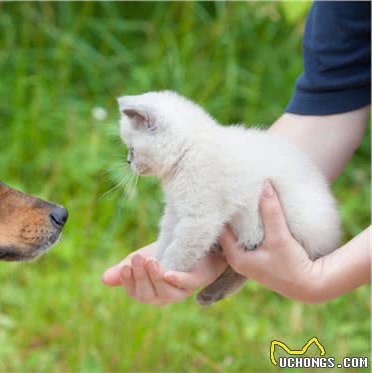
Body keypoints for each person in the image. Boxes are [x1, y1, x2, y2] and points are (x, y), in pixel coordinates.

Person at [101, 1, 371, 306]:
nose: (130, 161)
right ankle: (238, 263)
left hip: (309, 226)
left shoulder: (200, 159)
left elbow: (199, 221)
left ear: (156, 128)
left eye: (133, 150)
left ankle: (240, 260)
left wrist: (321, 278)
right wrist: (182, 253)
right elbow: (331, 98)